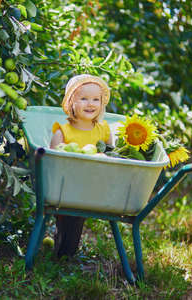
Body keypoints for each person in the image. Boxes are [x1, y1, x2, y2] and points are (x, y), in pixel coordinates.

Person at [50, 74, 113, 257]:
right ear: (72, 102)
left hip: (94, 187)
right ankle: (63, 253)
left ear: (102, 104)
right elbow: (53, 161)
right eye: (84, 98)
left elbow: (112, 156)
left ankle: (65, 254)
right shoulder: (62, 131)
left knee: (75, 219)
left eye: (96, 99)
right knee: (68, 220)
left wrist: (104, 156)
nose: (90, 104)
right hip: (66, 187)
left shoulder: (104, 131)